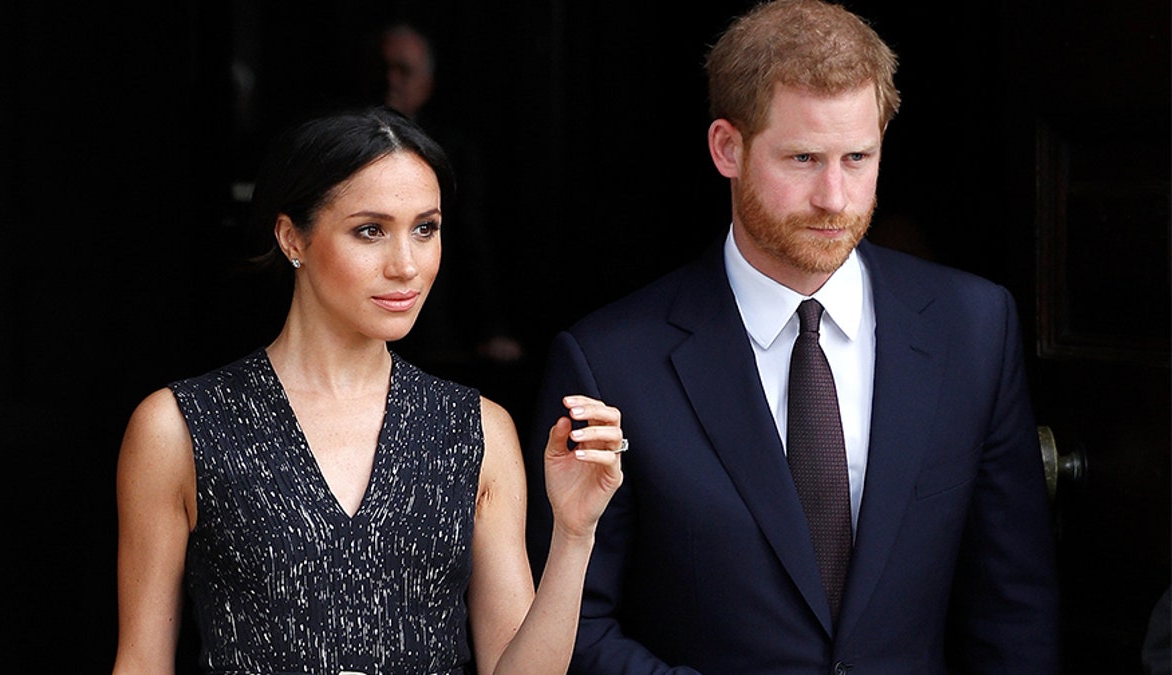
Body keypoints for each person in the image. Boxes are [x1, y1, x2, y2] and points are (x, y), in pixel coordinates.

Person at [523, 0, 1059, 672]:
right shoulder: (610, 361)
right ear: (727, 147)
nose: (835, 196)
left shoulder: (975, 328)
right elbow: (572, 622)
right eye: (803, 158)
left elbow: (1013, 610)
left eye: (858, 157)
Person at [113, 106, 624, 674]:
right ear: (291, 238)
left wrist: (575, 535)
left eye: (425, 229)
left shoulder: (476, 429)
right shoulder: (180, 426)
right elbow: (141, 662)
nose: (406, 265)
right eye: (370, 231)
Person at [362, 22, 525, 376]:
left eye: (404, 70)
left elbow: (474, 238)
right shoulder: (345, 149)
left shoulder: (453, 150)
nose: (391, 80)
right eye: (383, 68)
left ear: (429, 82)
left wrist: (491, 327)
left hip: (440, 327)